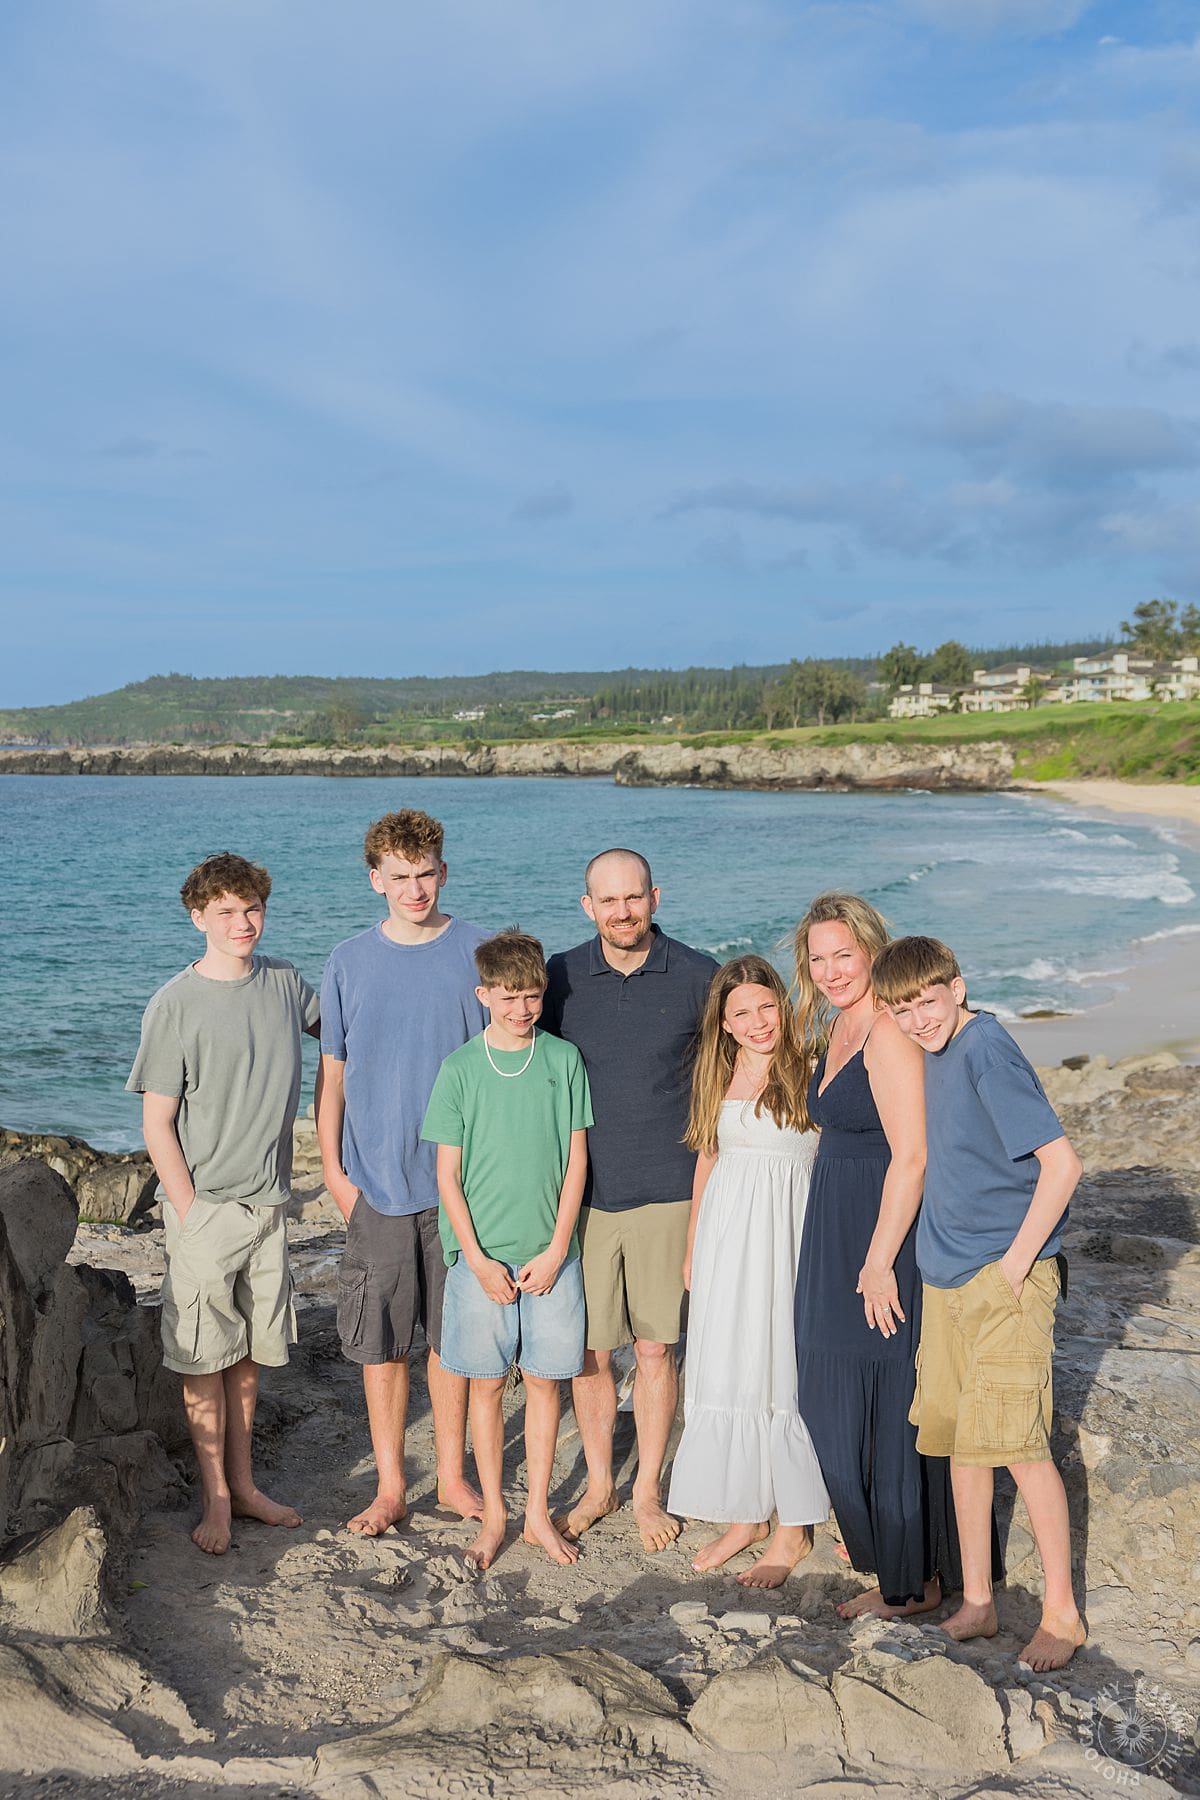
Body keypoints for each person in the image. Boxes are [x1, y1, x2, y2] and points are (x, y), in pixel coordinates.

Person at [872, 935, 1086, 1671]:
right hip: (947, 1283)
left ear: (956, 988)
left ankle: (1062, 1612)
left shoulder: (985, 1048)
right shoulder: (933, 1053)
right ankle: (978, 1601)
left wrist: (1014, 1269)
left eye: (927, 1002)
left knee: (1021, 1448)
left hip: (1003, 1283)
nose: (917, 1019)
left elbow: (1062, 1165)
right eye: (901, 1009)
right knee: (965, 1448)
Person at [127, 852, 319, 1555]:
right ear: (198, 918)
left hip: (271, 1209)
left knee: (247, 1357)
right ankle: (213, 1496)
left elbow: (360, 1032)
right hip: (204, 1209)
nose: (243, 923)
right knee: (204, 1359)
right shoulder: (174, 1002)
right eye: (227, 912)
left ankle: (243, 1487)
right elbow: (157, 1121)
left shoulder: (287, 984)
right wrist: (188, 1210)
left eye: (253, 909)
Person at [792, 891, 971, 1619]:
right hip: (833, 1225)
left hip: (878, 1236)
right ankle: (894, 1556)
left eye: (844, 955)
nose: (832, 970)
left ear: (872, 950)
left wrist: (876, 1261)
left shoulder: (888, 1035)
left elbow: (914, 1156)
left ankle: (911, 1581)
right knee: (827, 1395)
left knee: (888, 1404)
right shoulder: (836, 1024)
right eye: (818, 959)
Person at [316, 808, 488, 1535]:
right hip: (375, 1187)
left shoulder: (481, 954)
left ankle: (450, 1477)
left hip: (463, 1186)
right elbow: (332, 1074)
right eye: (399, 877)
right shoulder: (347, 961)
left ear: (442, 873)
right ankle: (391, 1486)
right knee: (382, 1345)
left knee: (455, 1344)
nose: (414, 889)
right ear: (375, 880)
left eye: (425, 875)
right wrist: (332, 1171)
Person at [542, 849, 717, 1553]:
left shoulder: (700, 976)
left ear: (655, 897)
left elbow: (732, 1077)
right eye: (608, 900)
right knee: (589, 1352)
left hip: (667, 1193)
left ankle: (645, 1489)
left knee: (653, 1350)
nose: (623, 911)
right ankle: (597, 1486)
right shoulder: (555, 979)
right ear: (587, 906)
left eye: (634, 898)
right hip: (580, 1199)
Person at [421, 931, 592, 1572]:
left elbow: (576, 1163)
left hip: (553, 1256)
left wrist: (554, 1251)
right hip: (478, 1261)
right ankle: (494, 1515)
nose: (523, 1008)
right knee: (486, 1390)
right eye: (511, 996)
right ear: (484, 994)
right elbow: (447, 1177)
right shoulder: (460, 1069)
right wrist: (476, 1258)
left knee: (546, 1387)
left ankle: (539, 1516)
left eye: (533, 995)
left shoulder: (562, 1060)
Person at [667, 955, 829, 1588]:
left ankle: (793, 1527)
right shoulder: (720, 1073)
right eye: (742, 1013)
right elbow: (709, 1159)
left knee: (780, 1365)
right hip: (727, 1239)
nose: (758, 1022)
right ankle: (747, 1511)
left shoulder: (814, 1066)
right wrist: (691, 1246)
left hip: (791, 1234)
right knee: (732, 1362)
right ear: (724, 1024)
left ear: (783, 1009)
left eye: (767, 1007)